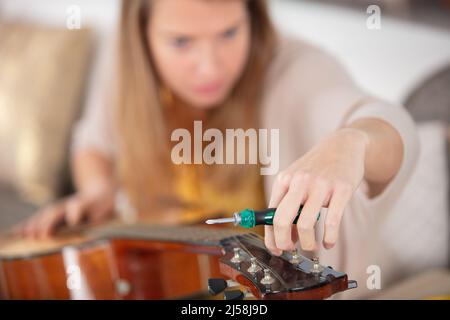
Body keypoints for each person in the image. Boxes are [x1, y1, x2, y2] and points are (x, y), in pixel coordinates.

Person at [14, 0, 419, 298]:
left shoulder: (297, 69)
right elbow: (93, 143)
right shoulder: (126, 70)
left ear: (253, 19)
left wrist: (351, 142)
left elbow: (388, 125)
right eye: (181, 42)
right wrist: (99, 190)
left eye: (228, 33)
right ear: (141, 38)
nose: (209, 67)